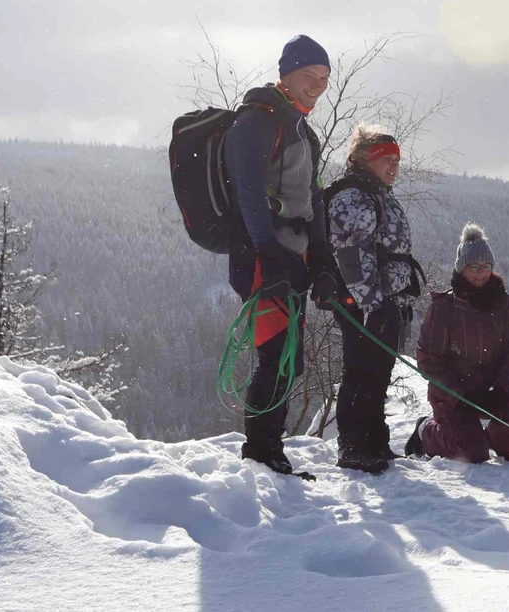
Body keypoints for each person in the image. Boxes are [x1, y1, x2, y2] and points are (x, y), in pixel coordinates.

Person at [223, 34, 336, 479]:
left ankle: (270, 450)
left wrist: (322, 259)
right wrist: (268, 253)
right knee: (276, 356)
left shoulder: (300, 129)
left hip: (293, 257)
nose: (318, 85)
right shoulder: (257, 121)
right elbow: (248, 193)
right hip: (262, 258)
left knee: (290, 359)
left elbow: (312, 197)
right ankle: (262, 453)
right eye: (310, 75)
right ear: (286, 72)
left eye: (325, 78)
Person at [323, 125, 424, 474]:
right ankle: (353, 446)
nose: (394, 166)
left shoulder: (378, 192)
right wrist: (372, 304)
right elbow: (353, 256)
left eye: (397, 160)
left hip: (383, 299)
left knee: (378, 371)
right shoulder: (354, 196)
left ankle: (374, 440)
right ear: (365, 159)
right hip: (363, 302)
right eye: (386, 159)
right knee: (361, 371)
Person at [407, 224, 509, 464]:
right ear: (462, 269)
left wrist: (500, 390)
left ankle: (497, 442)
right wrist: (459, 395)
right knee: (471, 454)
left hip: (490, 392)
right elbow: (428, 359)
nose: (481, 273)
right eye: (474, 267)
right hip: (453, 396)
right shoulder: (444, 307)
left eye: (486, 267)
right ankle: (425, 431)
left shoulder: (504, 303)